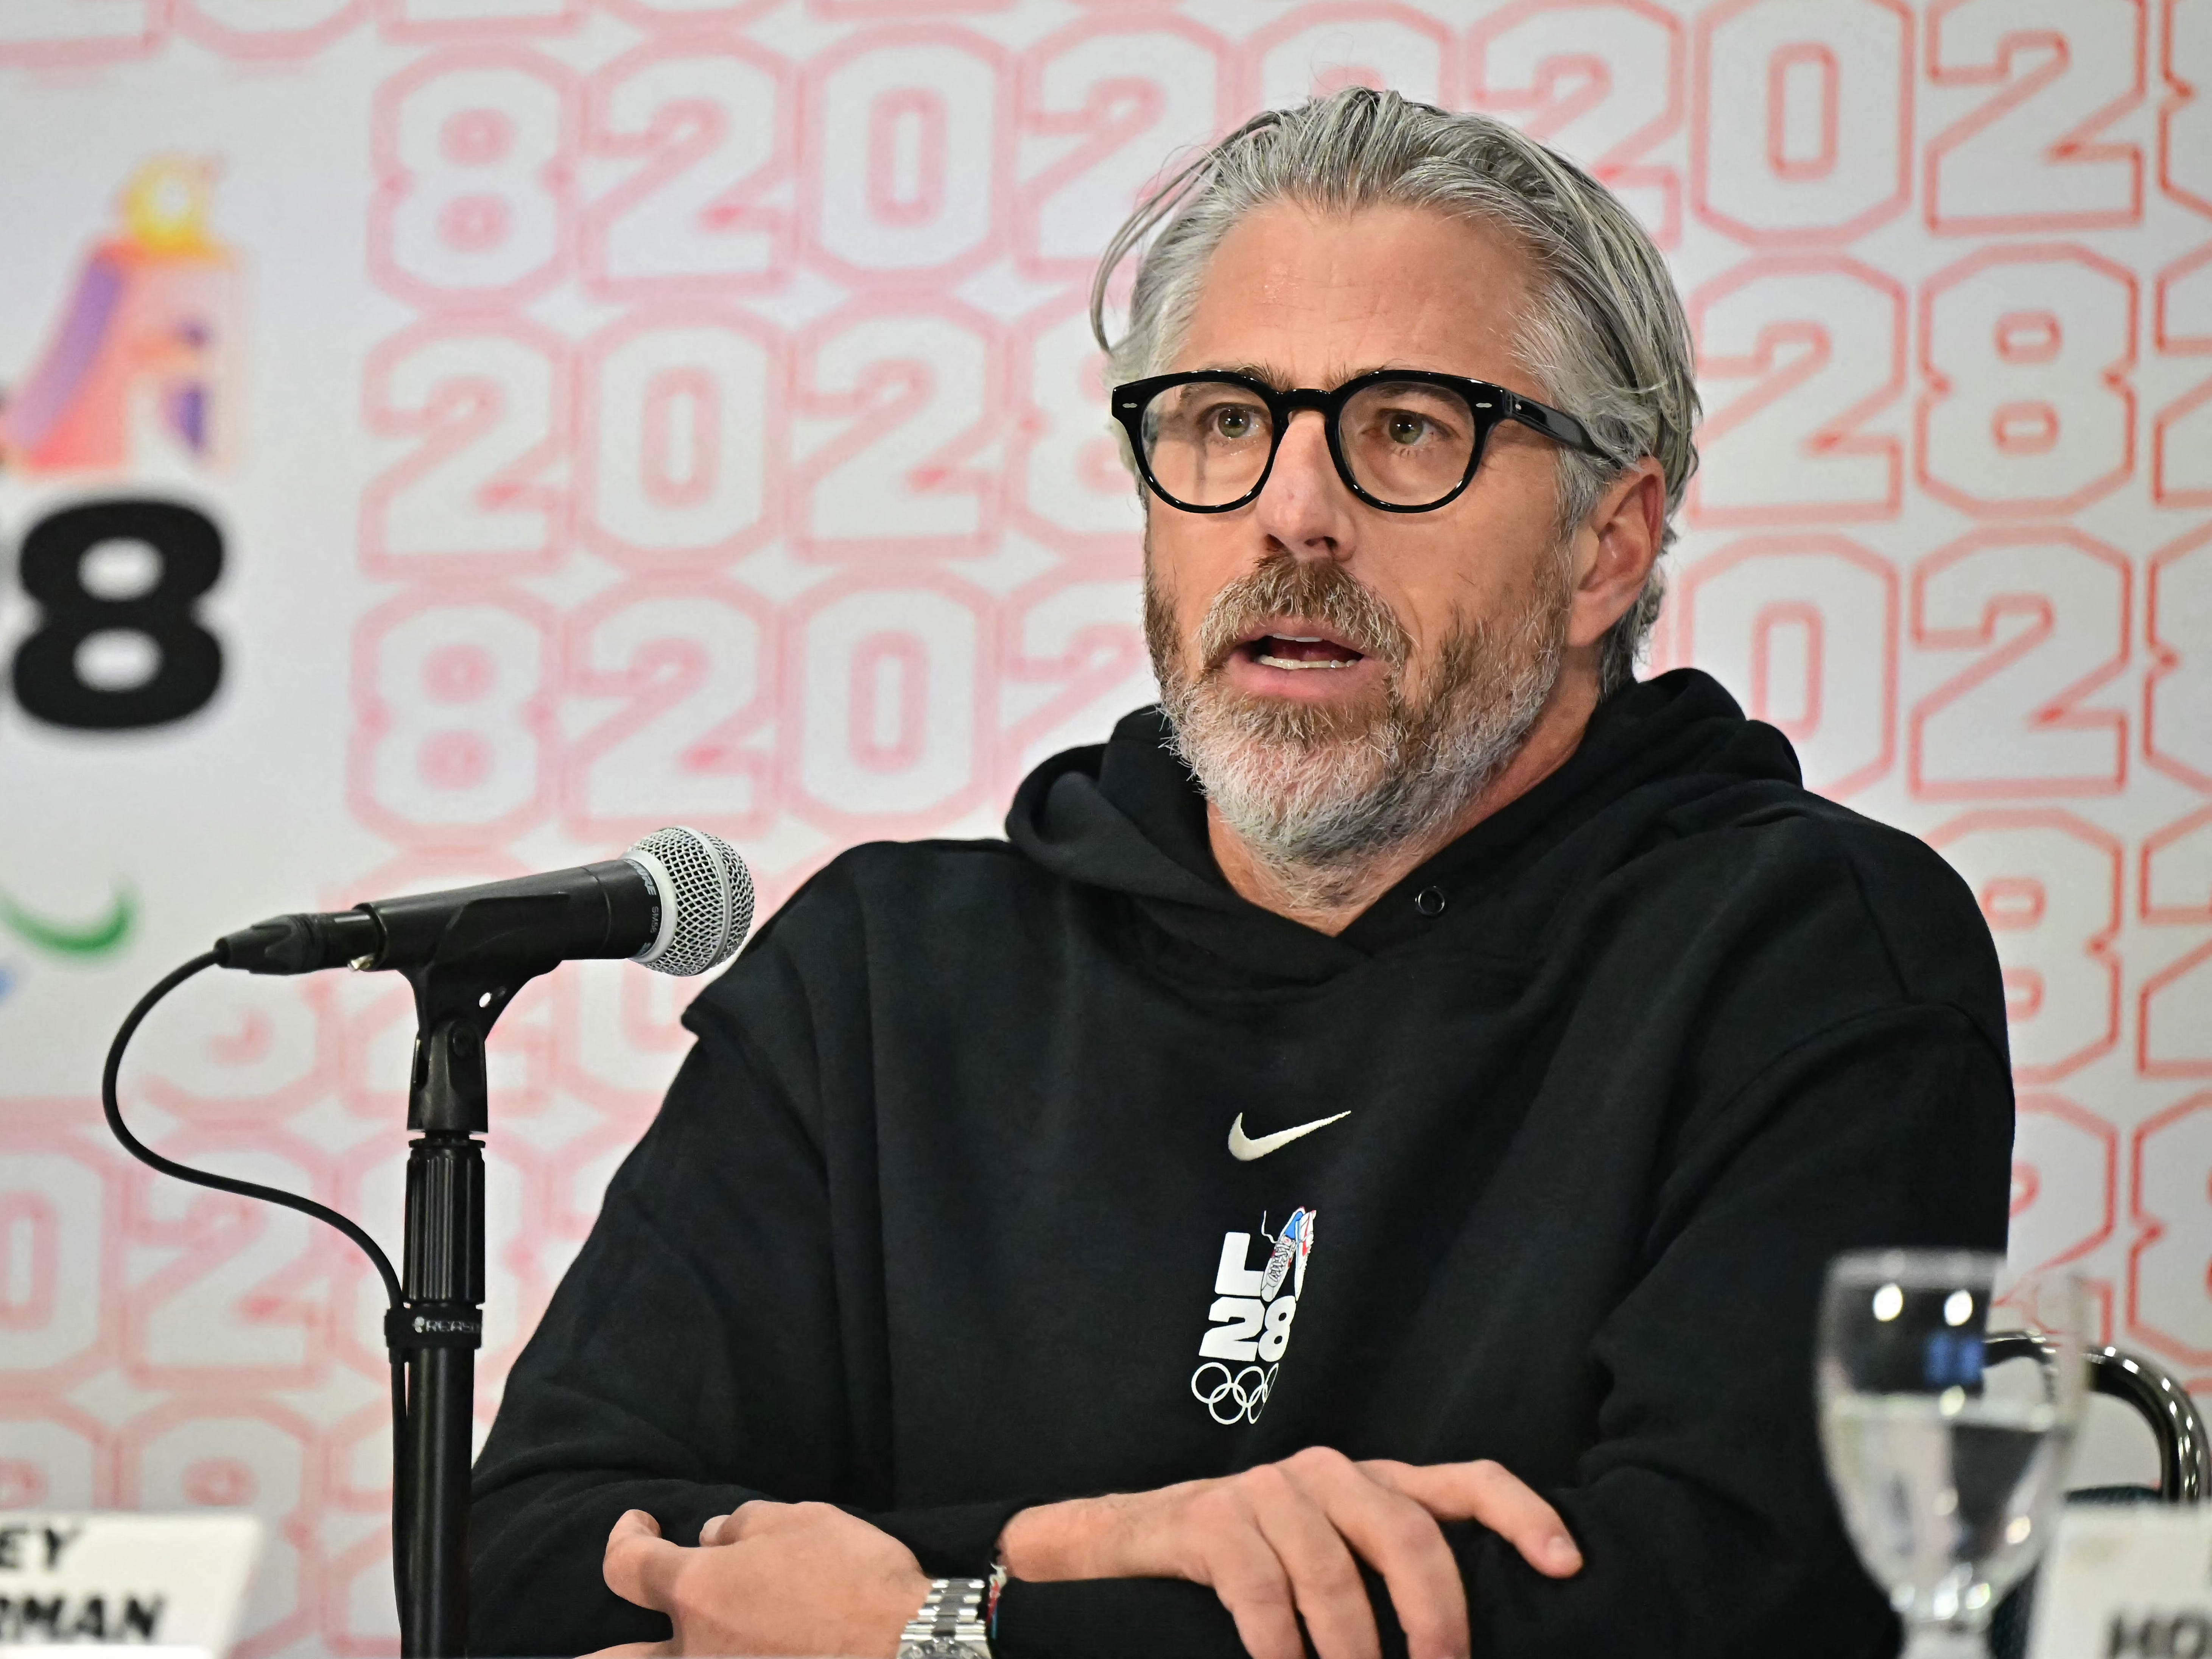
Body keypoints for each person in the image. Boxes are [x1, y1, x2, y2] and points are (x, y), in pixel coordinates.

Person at [469, 89, 2012, 1659]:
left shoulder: (1820, 953)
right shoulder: (880, 972)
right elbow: (518, 1566)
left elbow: (1755, 1600)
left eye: (1407, 428)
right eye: (1222, 420)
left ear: (1605, 546)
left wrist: (950, 1628)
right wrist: (1076, 1543)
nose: (1292, 515)